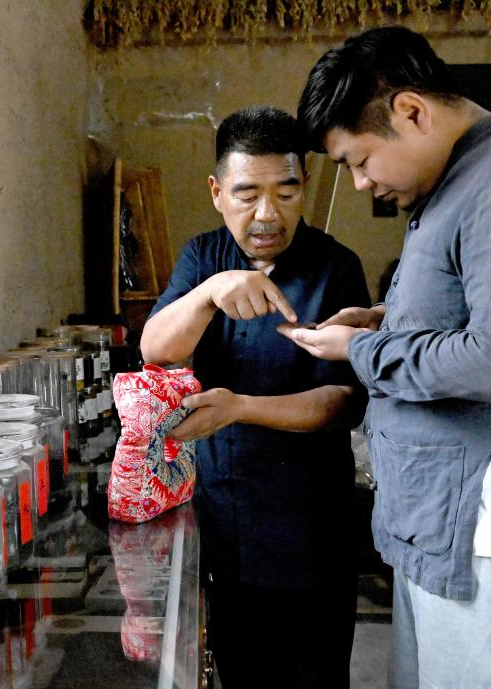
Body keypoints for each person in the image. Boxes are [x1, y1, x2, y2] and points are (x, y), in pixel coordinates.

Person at [284, 26, 491, 689]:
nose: (360, 183)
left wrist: (364, 348)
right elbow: (474, 313)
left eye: (359, 159)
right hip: (452, 539)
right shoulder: (461, 178)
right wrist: (384, 320)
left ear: (411, 111)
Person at [141, 106, 370, 688]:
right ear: (217, 192)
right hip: (225, 519)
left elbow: (345, 402)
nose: (268, 213)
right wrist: (210, 293)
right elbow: (155, 349)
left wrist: (240, 407)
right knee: (240, 672)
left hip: (309, 527)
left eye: (285, 193)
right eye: (247, 195)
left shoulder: (335, 267)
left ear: (304, 186)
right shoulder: (204, 257)